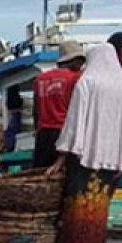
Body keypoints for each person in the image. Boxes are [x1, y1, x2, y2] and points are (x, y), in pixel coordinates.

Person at [46, 45, 122, 243]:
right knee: (100, 204)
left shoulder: (87, 82)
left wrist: (61, 157)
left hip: (84, 156)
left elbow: (74, 122)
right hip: (112, 158)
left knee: (79, 202)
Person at [32, 41, 85, 169]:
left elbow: (36, 111)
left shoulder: (40, 79)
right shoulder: (75, 78)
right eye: (80, 61)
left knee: (42, 174)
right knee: (69, 177)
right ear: (73, 60)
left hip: (43, 136)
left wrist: (37, 130)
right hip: (65, 133)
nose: (81, 65)